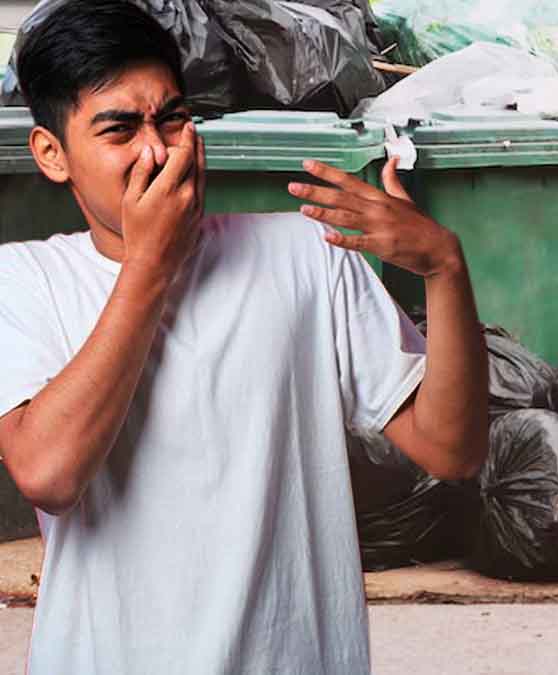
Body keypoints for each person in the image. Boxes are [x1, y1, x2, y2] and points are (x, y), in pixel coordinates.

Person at [0, 1, 489, 673]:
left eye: (172, 119)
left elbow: (452, 450)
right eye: (119, 130)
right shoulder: (23, 281)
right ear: (53, 155)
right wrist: (151, 265)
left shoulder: (309, 253)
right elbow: (49, 472)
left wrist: (445, 267)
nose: (156, 149)